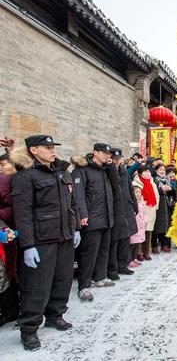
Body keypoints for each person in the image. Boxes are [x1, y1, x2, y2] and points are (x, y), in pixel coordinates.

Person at [11, 135, 81, 351]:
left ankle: (55, 314)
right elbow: (22, 214)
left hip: (65, 236)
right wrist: (28, 245)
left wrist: (76, 227)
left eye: (53, 147)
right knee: (37, 286)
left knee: (63, 280)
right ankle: (29, 328)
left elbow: (73, 202)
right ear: (33, 150)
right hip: (42, 239)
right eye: (47, 147)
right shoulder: (26, 177)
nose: (52, 151)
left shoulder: (62, 172)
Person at [71, 143, 115, 302]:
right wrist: (82, 213)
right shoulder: (82, 169)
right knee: (88, 254)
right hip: (91, 217)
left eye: (108, 154)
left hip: (106, 216)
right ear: (94, 152)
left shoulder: (104, 170)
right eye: (104, 153)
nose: (107, 156)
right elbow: (78, 194)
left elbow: (114, 188)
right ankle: (84, 285)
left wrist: (111, 168)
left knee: (103, 250)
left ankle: (99, 277)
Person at [107, 148, 138, 281]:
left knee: (126, 238)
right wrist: (111, 167)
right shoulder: (108, 170)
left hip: (127, 207)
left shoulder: (124, 171)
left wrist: (134, 205)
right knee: (115, 241)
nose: (117, 161)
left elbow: (130, 188)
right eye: (114, 158)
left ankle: (123, 265)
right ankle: (112, 269)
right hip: (115, 209)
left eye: (118, 159)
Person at [0, 152, 19, 326]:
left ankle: (11, 309)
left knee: (10, 269)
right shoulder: (6, 180)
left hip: (9, 231)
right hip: (8, 230)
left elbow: (13, 206)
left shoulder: (6, 180)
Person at [132, 165, 159, 260]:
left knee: (148, 232)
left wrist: (156, 206)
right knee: (139, 232)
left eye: (149, 170)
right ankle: (137, 253)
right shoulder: (135, 183)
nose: (148, 172)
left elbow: (157, 196)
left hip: (151, 209)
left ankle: (146, 251)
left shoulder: (152, 183)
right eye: (145, 171)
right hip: (140, 210)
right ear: (140, 173)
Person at [152, 164, 174, 253]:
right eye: (160, 170)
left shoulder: (167, 179)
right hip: (158, 204)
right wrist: (162, 189)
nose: (162, 171)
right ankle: (154, 245)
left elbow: (173, 192)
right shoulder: (154, 180)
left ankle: (165, 244)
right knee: (157, 225)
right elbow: (153, 191)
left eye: (163, 170)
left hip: (167, 204)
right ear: (156, 171)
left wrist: (171, 189)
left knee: (166, 224)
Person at [129, 185, 147, 268]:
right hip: (135, 226)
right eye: (136, 192)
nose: (138, 194)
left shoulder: (141, 203)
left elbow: (144, 213)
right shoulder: (132, 203)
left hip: (141, 226)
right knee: (132, 244)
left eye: (139, 192)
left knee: (137, 244)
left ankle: (134, 257)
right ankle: (130, 259)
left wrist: (145, 220)